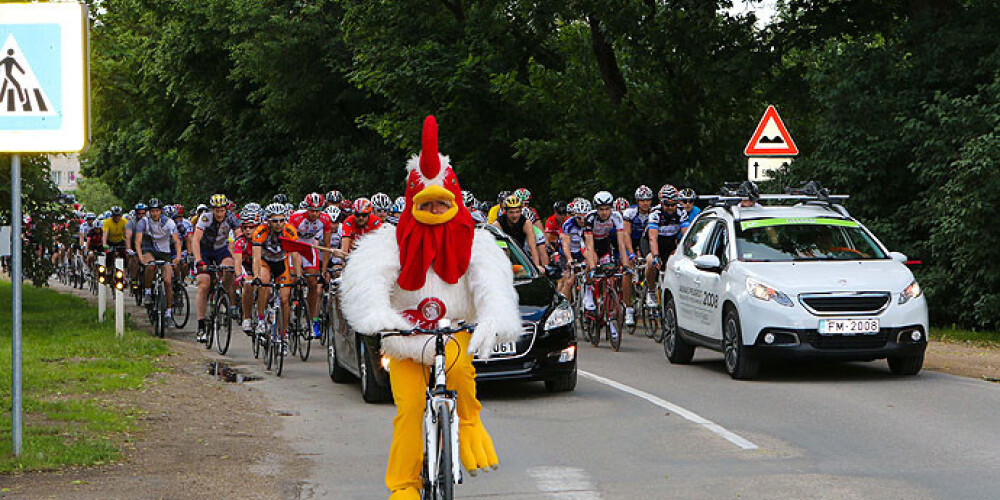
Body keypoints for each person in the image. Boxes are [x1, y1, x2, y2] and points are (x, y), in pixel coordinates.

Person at [340, 116, 521, 500]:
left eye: (442, 202)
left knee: (462, 378)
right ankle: (404, 485)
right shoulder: (392, 240)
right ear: (413, 202)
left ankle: (468, 425)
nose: (436, 209)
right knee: (408, 412)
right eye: (428, 203)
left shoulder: (475, 241)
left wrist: (493, 316)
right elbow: (369, 276)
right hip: (405, 340)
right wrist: (379, 315)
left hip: (450, 333)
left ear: (453, 200)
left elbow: (489, 281)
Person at [251, 203, 302, 353]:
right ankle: (261, 319)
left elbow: (295, 254)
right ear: (268, 221)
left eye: (281, 220)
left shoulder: (289, 230)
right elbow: (256, 257)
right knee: (264, 282)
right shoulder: (261, 231)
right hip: (265, 262)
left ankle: (283, 336)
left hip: (281, 263)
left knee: (285, 299)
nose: (279, 224)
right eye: (275, 221)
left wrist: (299, 276)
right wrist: (256, 276)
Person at [191, 194, 240, 342]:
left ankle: (223, 293)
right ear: (212, 210)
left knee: (230, 267)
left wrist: (240, 256)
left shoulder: (231, 218)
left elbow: (239, 237)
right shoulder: (205, 218)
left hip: (220, 250)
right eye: (217, 211)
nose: (219, 214)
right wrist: (198, 260)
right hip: (205, 251)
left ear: (226, 210)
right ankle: (201, 326)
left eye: (222, 210)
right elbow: (196, 240)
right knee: (204, 283)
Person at [583, 191, 635, 326]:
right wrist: (592, 268)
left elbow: (621, 244)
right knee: (593, 260)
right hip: (591, 243)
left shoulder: (616, 217)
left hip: (604, 243)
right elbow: (589, 245)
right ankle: (588, 291)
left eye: (607, 209)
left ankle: (609, 308)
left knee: (610, 274)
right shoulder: (590, 218)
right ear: (596, 209)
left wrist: (626, 265)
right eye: (601, 209)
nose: (604, 212)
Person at [289, 193, 334, 339]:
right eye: (311, 210)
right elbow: (291, 243)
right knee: (293, 278)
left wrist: (323, 270)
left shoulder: (325, 219)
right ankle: (291, 306)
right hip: (295, 245)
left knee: (313, 282)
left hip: (309, 245)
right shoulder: (296, 218)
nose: (314, 214)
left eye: (317, 210)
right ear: (306, 208)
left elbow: (326, 246)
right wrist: (298, 271)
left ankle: (310, 319)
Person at [135, 198, 182, 322]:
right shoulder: (144, 222)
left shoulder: (169, 222)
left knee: (168, 281)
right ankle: (148, 291)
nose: (154, 213)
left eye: (157, 211)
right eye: (152, 211)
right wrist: (141, 257)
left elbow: (176, 240)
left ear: (161, 211)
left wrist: (178, 256)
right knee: (150, 265)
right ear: (149, 212)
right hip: (149, 249)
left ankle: (168, 313)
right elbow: (138, 241)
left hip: (165, 251)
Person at [645, 185, 688, 307]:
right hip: (653, 242)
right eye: (667, 205)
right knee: (651, 261)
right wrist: (656, 256)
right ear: (661, 203)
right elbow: (652, 238)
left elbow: (686, 236)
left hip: (670, 243)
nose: (670, 208)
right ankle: (651, 291)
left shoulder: (681, 212)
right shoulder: (655, 213)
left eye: (673, 204)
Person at [491, 194, 544, 271]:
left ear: (521, 211)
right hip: (503, 256)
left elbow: (532, 246)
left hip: (520, 254)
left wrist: (536, 266)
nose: (515, 215)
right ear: (506, 212)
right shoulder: (498, 224)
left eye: (517, 212)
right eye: (511, 212)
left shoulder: (526, 223)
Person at [234, 206, 260, 334]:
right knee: (248, 285)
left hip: (259, 265)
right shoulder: (240, 241)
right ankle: (247, 318)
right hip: (246, 266)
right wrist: (239, 275)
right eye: (245, 227)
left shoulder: (262, 238)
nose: (248, 230)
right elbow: (237, 261)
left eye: (251, 227)